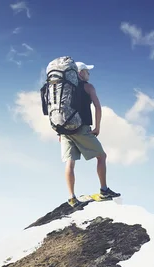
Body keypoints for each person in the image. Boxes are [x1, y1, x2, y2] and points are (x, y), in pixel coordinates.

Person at [59, 61, 121, 207]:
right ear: (80, 73)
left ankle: (72, 198)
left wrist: (60, 132)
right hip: (81, 128)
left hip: (64, 130)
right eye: (87, 71)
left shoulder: (65, 88)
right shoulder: (88, 87)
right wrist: (97, 127)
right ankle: (104, 190)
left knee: (70, 162)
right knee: (101, 156)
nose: (89, 74)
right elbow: (98, 108)